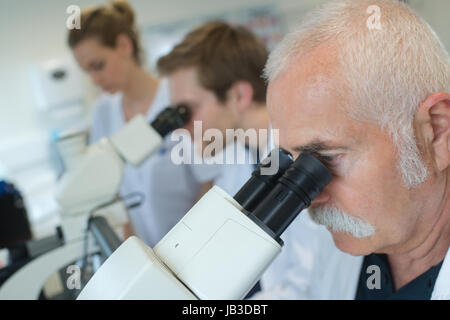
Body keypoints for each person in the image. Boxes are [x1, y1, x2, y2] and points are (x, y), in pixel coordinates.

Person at [263, 0, 450, 299]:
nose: (311, 199)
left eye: (325, 158)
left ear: (437, 131)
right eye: (296, 164)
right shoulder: (346, 243)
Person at [156, 21, 326, 298]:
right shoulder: (241, 154)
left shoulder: (303, 160)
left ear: (239, 95)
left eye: (188, 110)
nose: (180, 126)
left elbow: (312, 284)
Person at [67, 0, 219, 247]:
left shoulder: (176, 98)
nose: (95, 80)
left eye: (98, 66)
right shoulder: (103, 112)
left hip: (197, 242)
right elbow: (111, 186)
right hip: (145, 247)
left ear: (123, 45)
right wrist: (134, 248)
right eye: (88, 72)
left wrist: (184, 242)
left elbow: (209, 181)